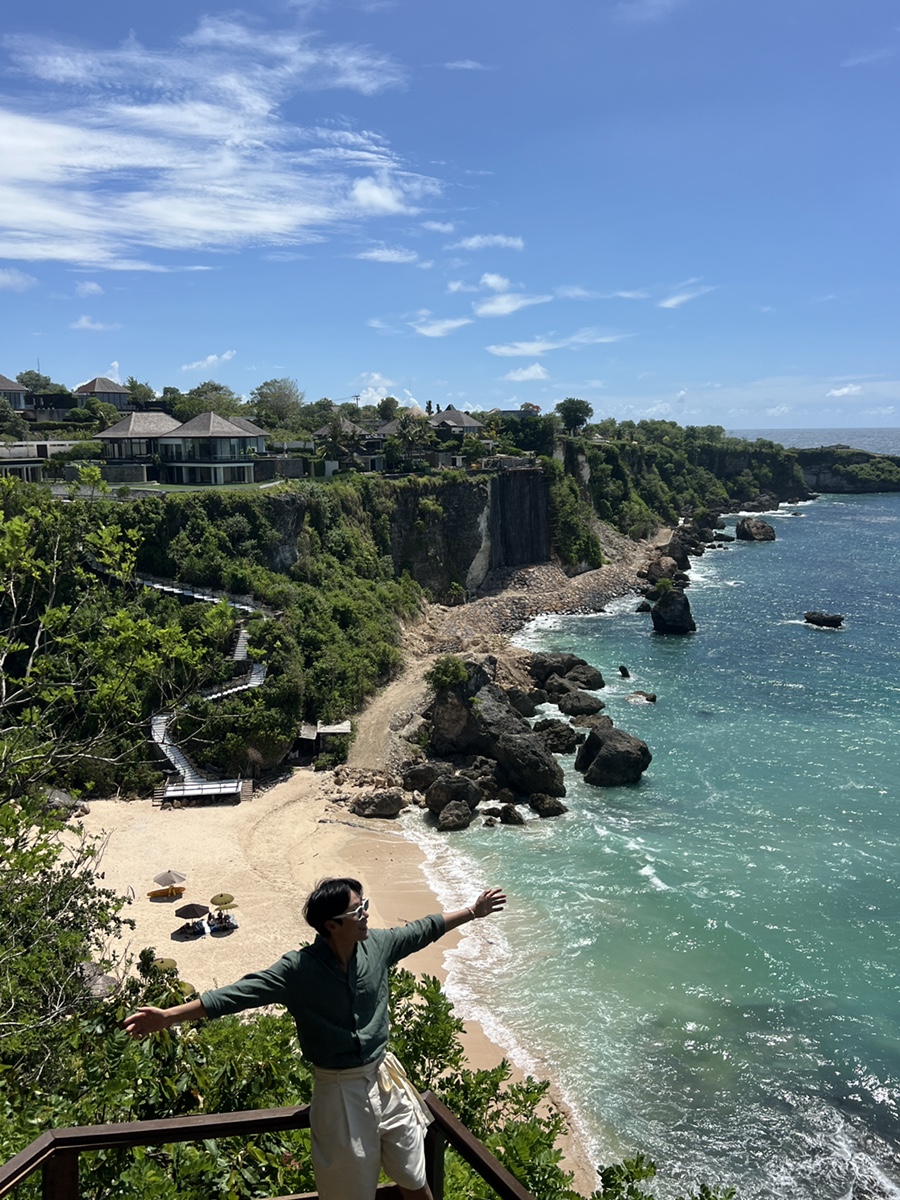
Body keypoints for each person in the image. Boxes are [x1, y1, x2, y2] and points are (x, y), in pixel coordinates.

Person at [124, 878, 506, 1200]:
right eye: (358, 910)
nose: (366, 914)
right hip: (338, 1091)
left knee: (412, 1174)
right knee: (348, 1189)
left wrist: (473, 911)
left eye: (364, 905)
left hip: (385, 1080)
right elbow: (236, 995)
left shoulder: (377, 945)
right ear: (332, 925)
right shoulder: (298, 970)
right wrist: (169, 1017)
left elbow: (424, 928)